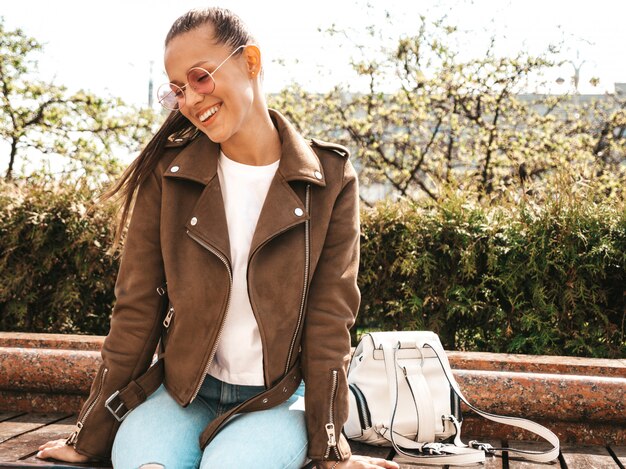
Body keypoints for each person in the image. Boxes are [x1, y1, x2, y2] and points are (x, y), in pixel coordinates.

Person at [35, 7, 399, 469]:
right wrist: (89, 437)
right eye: (178, 89)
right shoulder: (168, 175)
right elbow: (136, 312)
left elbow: (330, 321)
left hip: (274, 401)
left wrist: (330, 450)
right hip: (183, 396)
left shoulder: (328, 180)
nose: (190, 99)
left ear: (250, 61)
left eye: (201, 77)